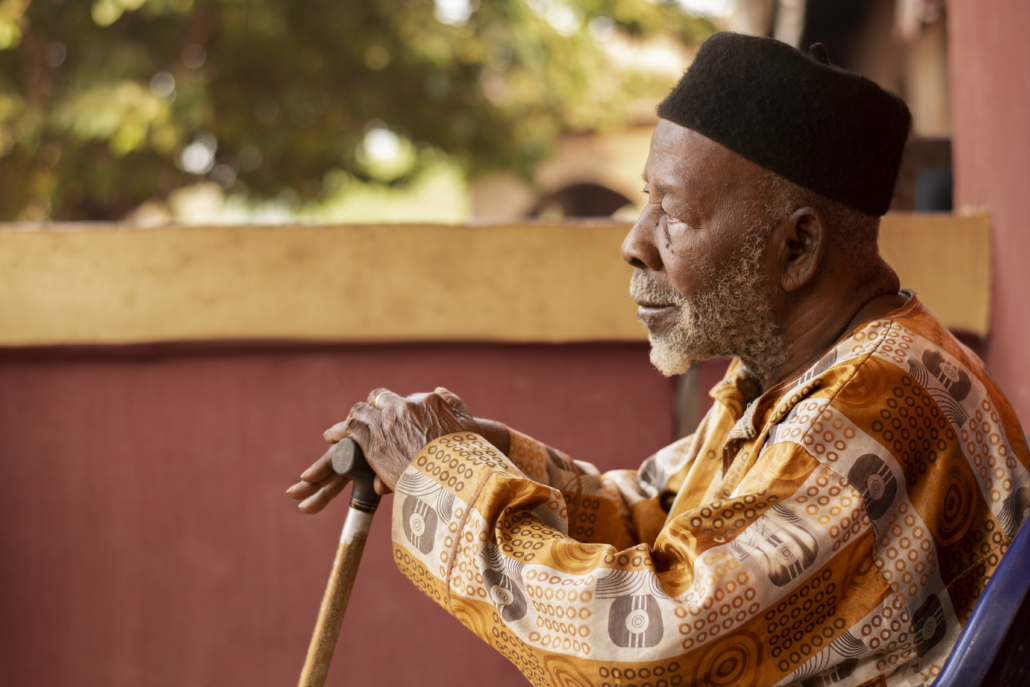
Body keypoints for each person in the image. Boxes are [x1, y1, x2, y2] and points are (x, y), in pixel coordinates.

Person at [286, 32, 1029, 687]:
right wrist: (471, 449)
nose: (634, 242)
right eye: (647, 200)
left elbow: (650, 645)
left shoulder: (878, 398)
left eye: (672, 212)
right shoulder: (787, 379)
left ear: (797, 246)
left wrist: (442, 478)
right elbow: (653, 517)